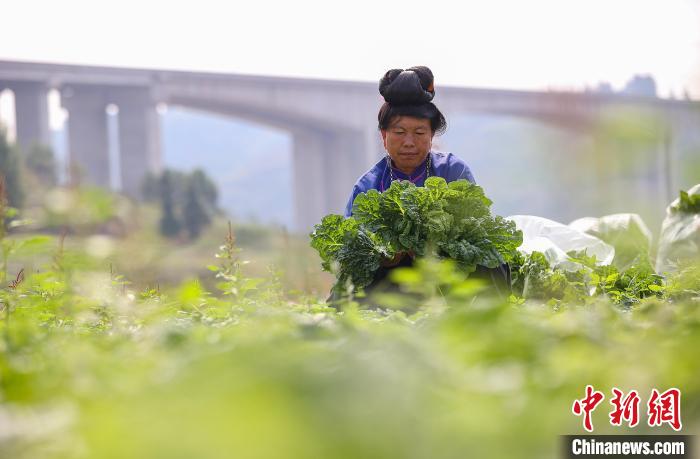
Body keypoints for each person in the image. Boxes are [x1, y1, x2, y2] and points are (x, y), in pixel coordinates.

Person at [338, 66, 511, 305]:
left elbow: (475, 228)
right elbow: (351, 247)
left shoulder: (454, 171)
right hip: (394, 279)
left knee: (489, 254)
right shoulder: (368, 185)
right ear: (383, 136)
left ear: (432, 136)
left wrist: (432, 245)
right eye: (399, 132)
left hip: (449, 271)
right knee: (351, 280)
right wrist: (386, 255)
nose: (409, 142)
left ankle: (490, 317)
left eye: (419, 132)